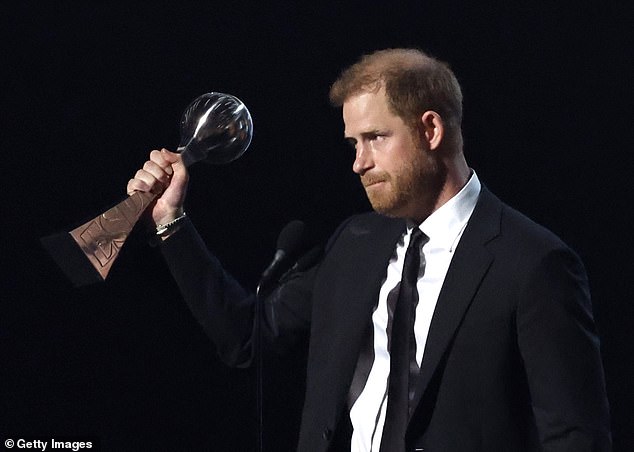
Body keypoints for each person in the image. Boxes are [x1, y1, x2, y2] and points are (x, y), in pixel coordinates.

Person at [127, 49, 611, 451]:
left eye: (375, 138)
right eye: (352, 143)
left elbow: (575, 438)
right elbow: (246, 338)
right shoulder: (355, 243)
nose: (359, 163)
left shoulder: (534, 263)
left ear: (431, 130)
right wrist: (171, 223)